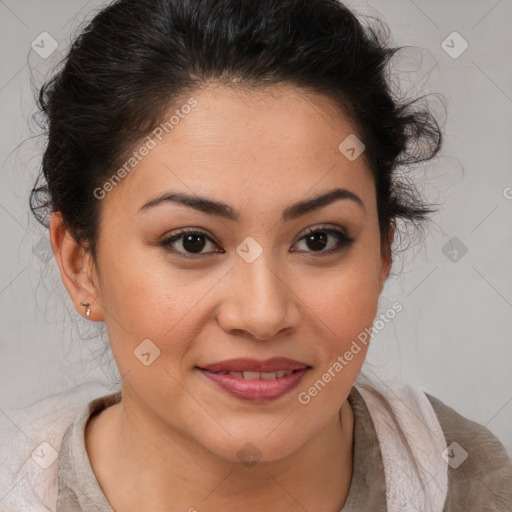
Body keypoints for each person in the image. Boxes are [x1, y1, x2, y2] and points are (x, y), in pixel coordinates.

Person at [1, 0, 510, 511]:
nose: (263, 315)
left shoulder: (482, 489)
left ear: (382, 253)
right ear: (79, 266)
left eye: (318, 239)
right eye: (192, 241)